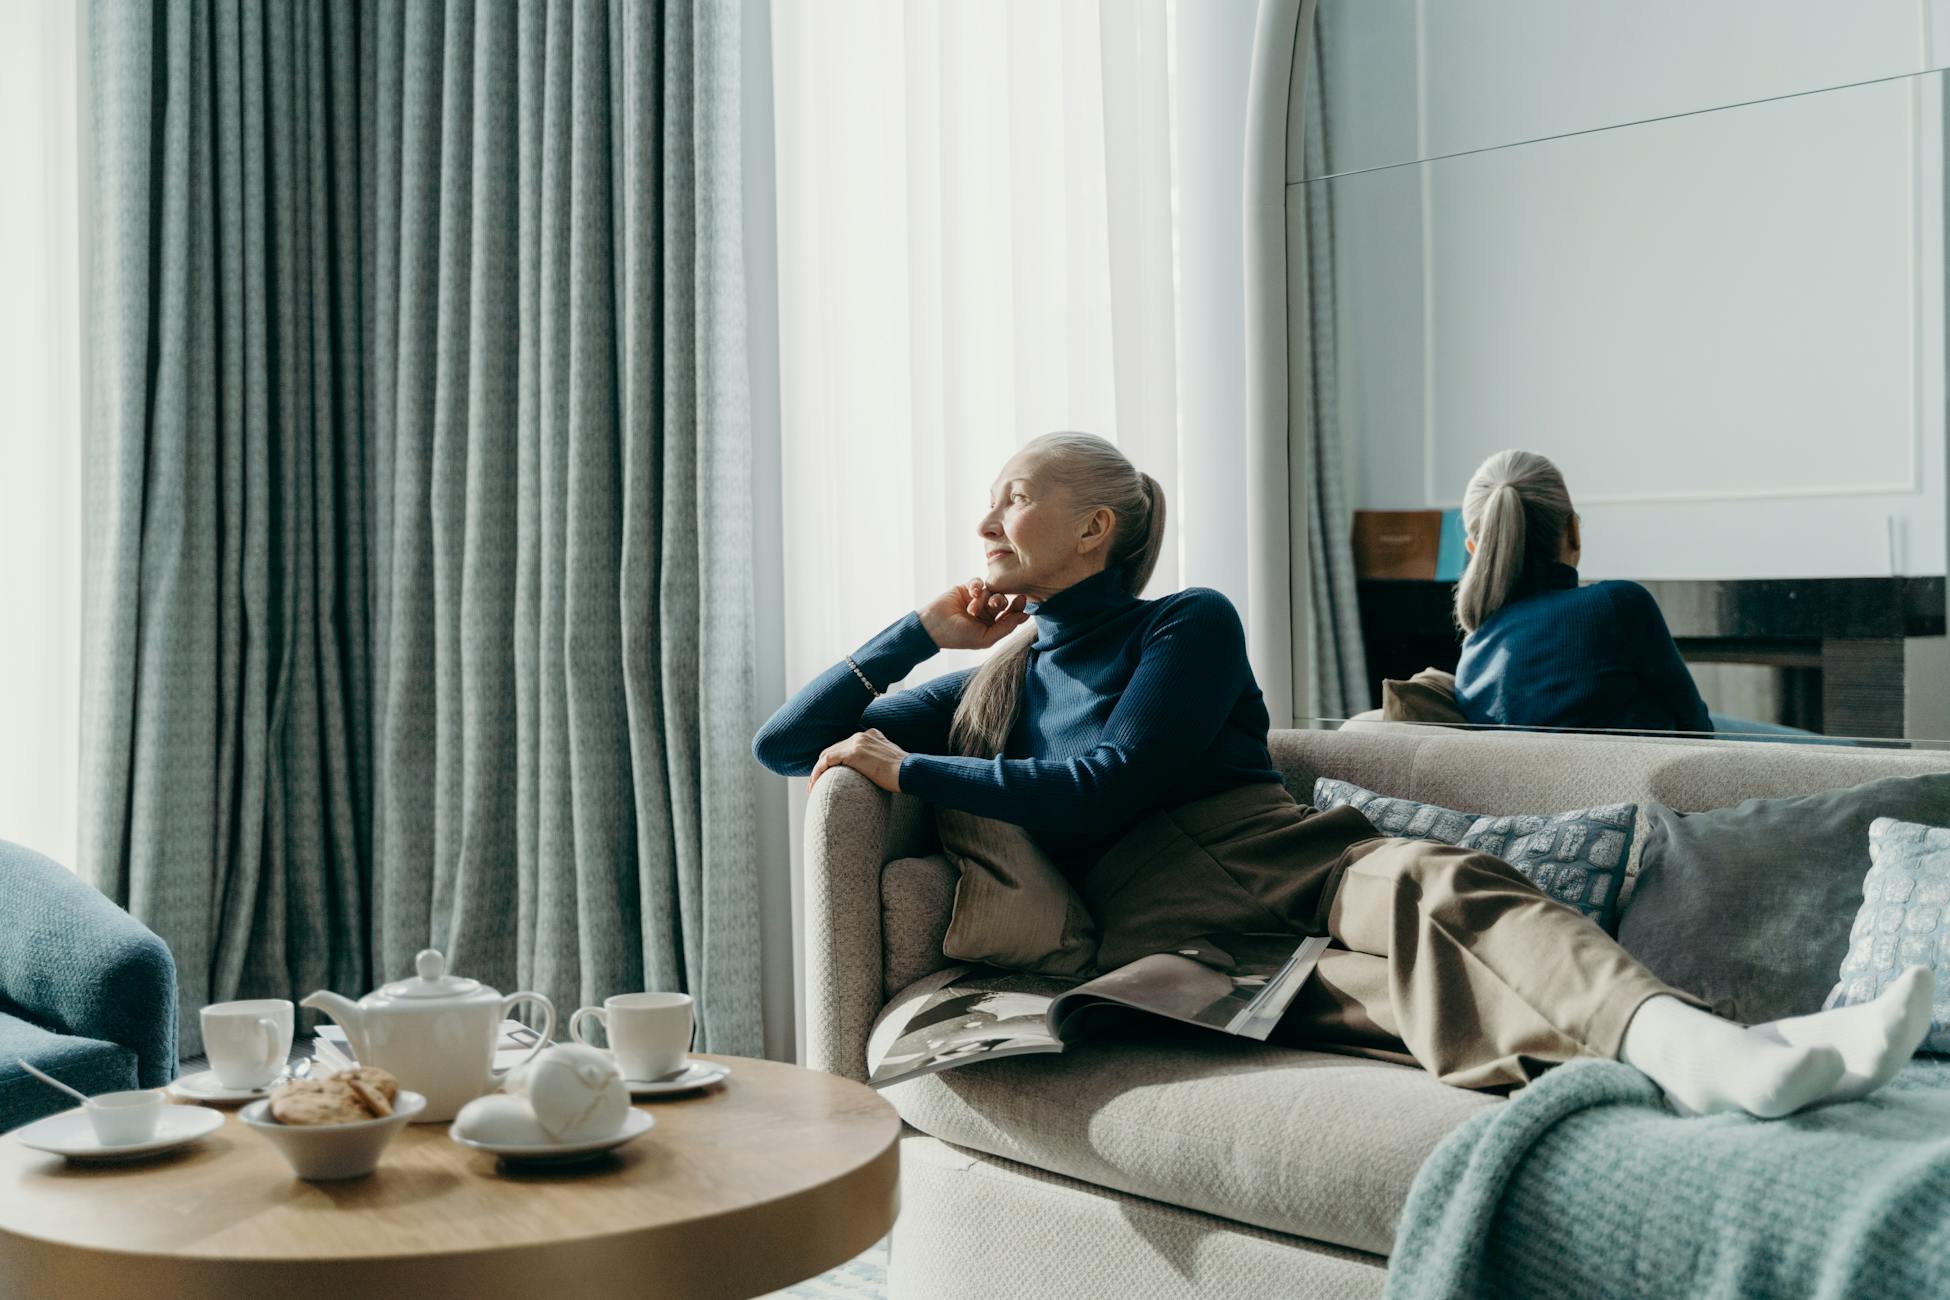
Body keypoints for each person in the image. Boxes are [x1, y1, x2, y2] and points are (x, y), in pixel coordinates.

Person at [753, 432, 1933, 1116]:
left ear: (1097, 526)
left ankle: (1722, 1060)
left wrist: (914, 768)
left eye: (1013, 493)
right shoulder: (993, 682)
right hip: (1152, 928)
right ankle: (1716, 1062)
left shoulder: (1185, 623)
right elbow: (786, 743)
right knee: (1412, 997)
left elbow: (1116, 777)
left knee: (1438, 894)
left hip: (1267, 850)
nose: (985, 518)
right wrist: (917, 635)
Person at [1450, 449, 1713, 735]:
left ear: (1474, 551)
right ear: (1573, 530)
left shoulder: (1470, 661)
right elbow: (1698, 728)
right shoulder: (1617, 605)